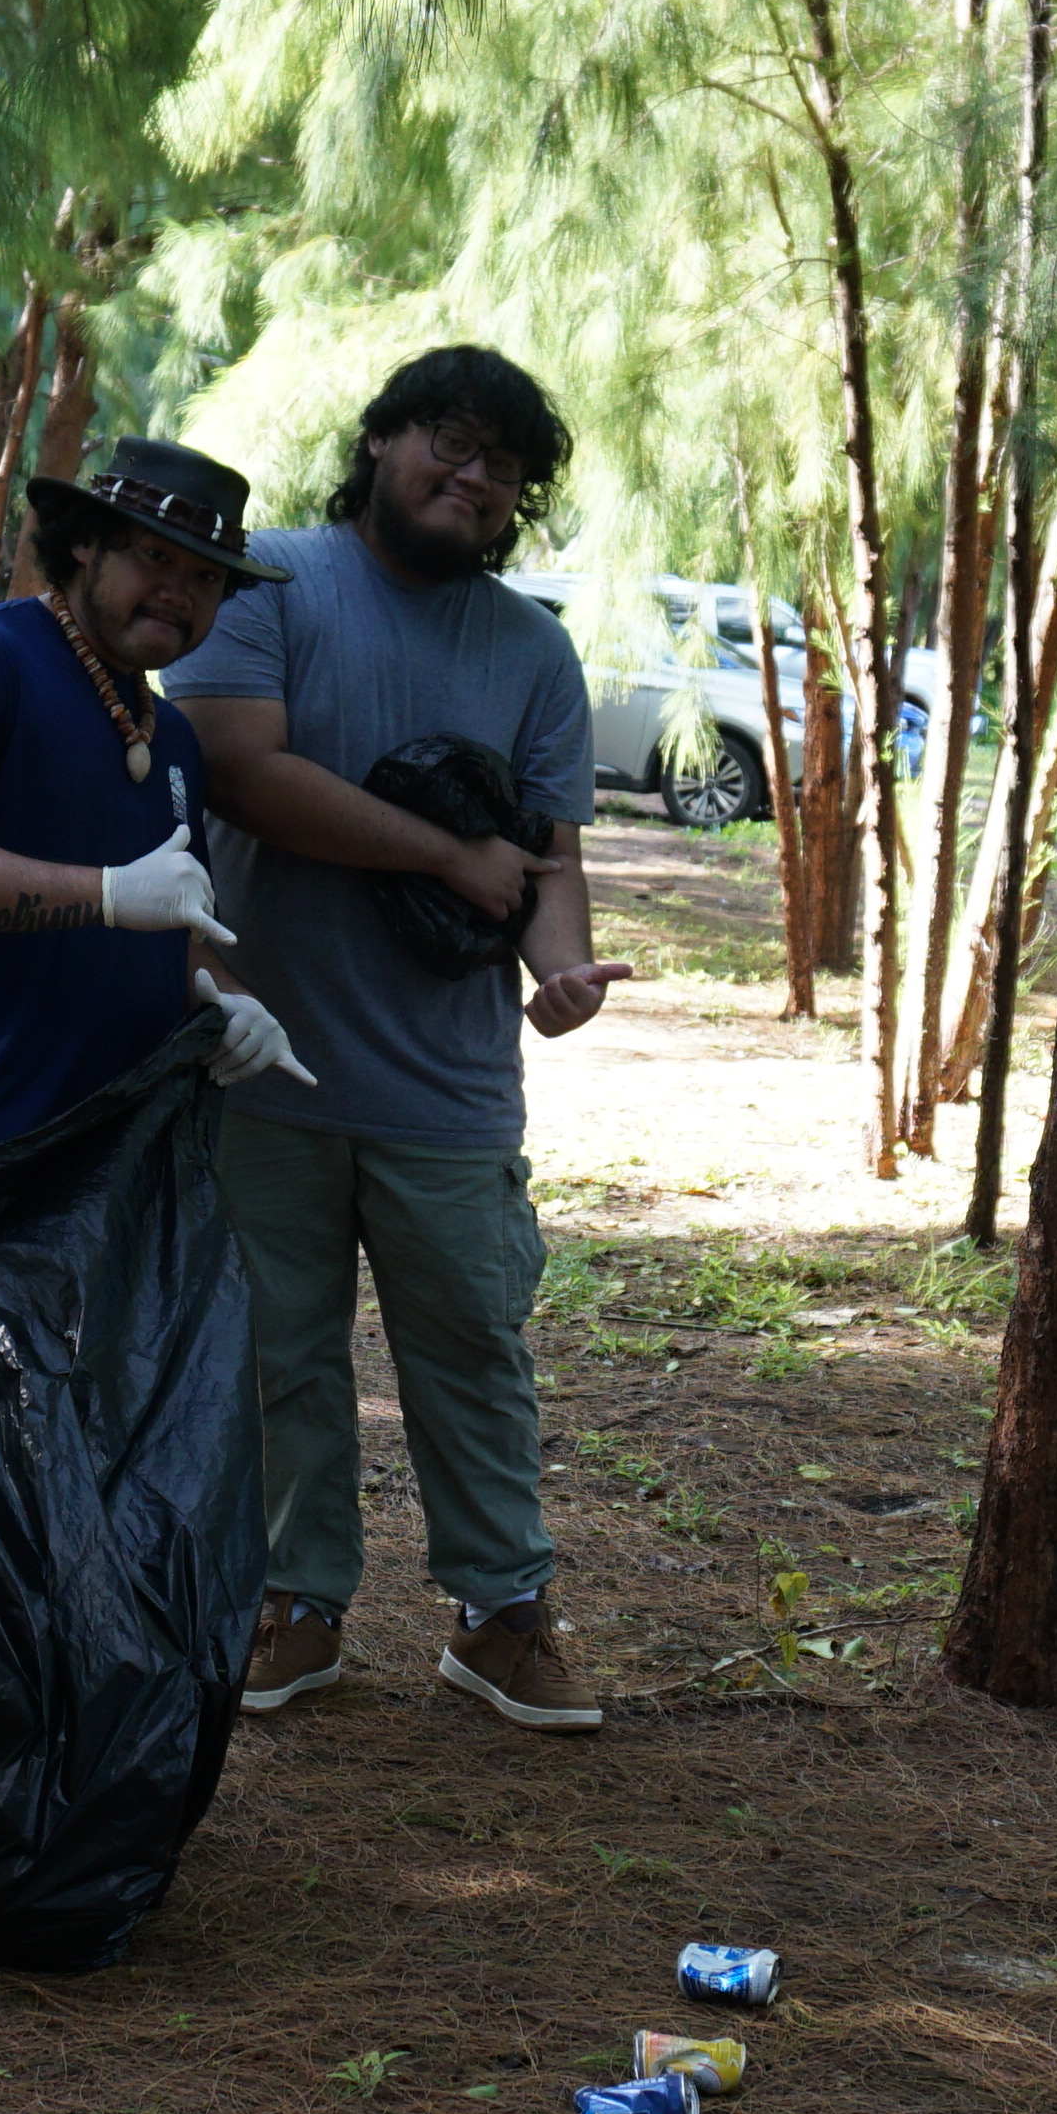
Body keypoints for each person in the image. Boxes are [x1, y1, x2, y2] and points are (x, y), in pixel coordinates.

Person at [176, 347, 635, 1733]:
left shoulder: (530, 648)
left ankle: (503, 1618)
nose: (472, 474)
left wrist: (562, 975)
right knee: (276, 1357)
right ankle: (291, 1604)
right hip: (263, 1063)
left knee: (473, 1352)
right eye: (448, 439)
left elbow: (547, 860)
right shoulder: (265, 582)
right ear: (380, 442)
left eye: (502, 465)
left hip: (449, 1084)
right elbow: (245, 773)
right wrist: (452, 858)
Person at [0, 437, 317, 1156]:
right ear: (86, 546)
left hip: (107, 1165)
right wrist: (104, 894)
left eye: (207, 577)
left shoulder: (172, 737)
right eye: (154, 557)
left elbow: (175, 925)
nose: (179, 592)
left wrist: (235, 1001)